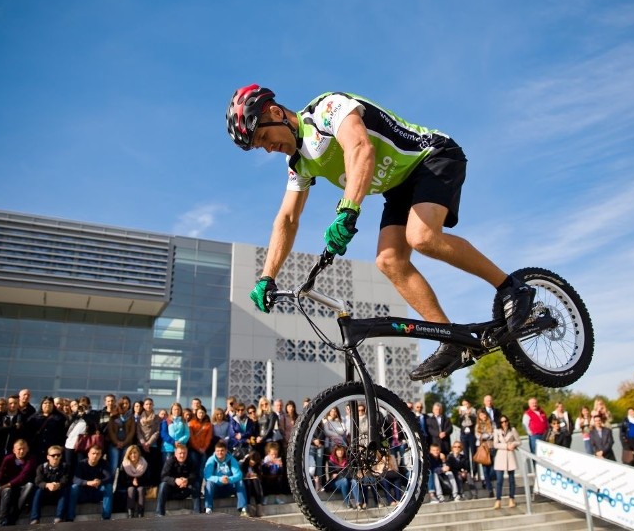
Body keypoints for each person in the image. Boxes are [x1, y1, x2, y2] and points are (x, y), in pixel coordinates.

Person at [226, 85, 536, 382]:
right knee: (389, 261)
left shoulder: (326, 110)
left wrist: (348, 210)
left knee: (422, 236)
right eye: (259, 146)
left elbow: (360, 148)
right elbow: (288, 218)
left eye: (264, 137)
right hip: (398, 186)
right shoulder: (298, 162)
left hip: (431, 157)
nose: (267, 148)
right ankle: (450, 338)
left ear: (276, 112)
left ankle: (512, 287)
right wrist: (268, 276)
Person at [0, 438, 37, 526]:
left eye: (24, 449)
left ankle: (14, 516)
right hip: (9, 489)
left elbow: (23, 476)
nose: (21, 451)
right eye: (19, 449)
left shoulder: (31, 459)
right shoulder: (8, 459)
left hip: (22, 488)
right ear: (14, 450)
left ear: (27, 449)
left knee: (30, 485)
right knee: (6, 490)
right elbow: (1, 474)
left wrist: (7, 484)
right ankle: (4, 518)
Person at [69, 444, 113, 521]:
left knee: (108, 487)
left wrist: (100, 482)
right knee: (74, 487)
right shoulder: (81, 463)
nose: (95, 456)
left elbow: (109, 478)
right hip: (84, 493)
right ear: (88, 454)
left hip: (97, 492)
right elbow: (75, 479)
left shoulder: (104, 463)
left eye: (98, 454)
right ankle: (70, 517)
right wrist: (87, 482)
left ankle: (106, 517)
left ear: (101, 455)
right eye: (93, 453)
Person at [203, 441, 248, 516]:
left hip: (228, 486)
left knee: (240, 482)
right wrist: (220, 479)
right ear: (215, 451)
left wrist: (229, 479)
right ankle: (208, 509)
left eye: (222, 450)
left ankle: (243, 509)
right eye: (217, 451)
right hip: (216, 489)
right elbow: (207, 476)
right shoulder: (211, 460)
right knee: (209, 483)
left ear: (226, 451)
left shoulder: (231, 460)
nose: (220, 453)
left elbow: (239, 474)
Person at [156, 443, 200, 516]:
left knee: (196, 484)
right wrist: (175, 480)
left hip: (185, 489)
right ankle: (159, 513)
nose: (182, 455)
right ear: (175, 454)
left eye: (184, 453)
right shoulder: (169, 461)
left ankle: (197, 512)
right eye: (180, 453)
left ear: (187, 453)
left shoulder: (191, 461)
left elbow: (195, 475)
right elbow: (163, 476)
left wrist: (187, 480)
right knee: (163, 485)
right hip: (172, 490)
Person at [30, 445, 70, 525]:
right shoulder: (41, 467)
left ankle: (59, 517)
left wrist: (58, 485)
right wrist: (47, 485)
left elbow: (66, 480)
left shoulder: (65, 466)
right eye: (53, 455)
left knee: (65, 490)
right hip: (46, 493)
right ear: (48, 457)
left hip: (58, 493)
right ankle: (35, 518)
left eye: (58, 455)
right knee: (38, 491)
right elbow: (38, 481)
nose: (56, 457)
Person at [493, 416, 521, 509]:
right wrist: (506, 446)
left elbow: (519, 441)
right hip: (501, 455)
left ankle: (511, 498)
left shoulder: (512, 430)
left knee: (511, 479)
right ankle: (498, 500)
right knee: (499, 480)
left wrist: (513, 444)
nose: (504, 423)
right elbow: (495, 444)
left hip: (510, 456)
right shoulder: (497, 431)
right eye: (502, 422)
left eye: (505, 421)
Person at [26, 396, 66, 462]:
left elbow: (64, 434)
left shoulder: (60, 418)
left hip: (53, 450)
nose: (47, 405)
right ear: (41, 405)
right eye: (45, 403)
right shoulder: (34, 418)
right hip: (36, 448)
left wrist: (61, 446)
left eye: (50, 403)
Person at [106, 396, 135, 475]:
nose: (125, 405)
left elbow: (132, 432)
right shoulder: (114, 415)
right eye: (123, 403)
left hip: (126, 445)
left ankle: (120, 484)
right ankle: (110, 484)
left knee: (124, 466)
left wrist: (124, 443)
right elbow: (110, 430)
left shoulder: (131, 417)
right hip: (114, 445)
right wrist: (117, 442)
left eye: (127, 403)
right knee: (114, 466)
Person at [117, 444, 148, 518]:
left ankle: (141, 513)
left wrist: (138, 482)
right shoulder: (124, 465)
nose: (133, 455)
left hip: (141, 486)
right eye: (130, 453)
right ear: (128, 454)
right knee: (131, 489)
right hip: (128, 488)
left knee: (141, 489)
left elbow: (147, 479)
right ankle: (130, 513)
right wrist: (131, 482)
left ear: (138, 453)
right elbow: (121, 481)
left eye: (135, 452)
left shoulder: (144, 463)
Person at [136, 397, 161, 486]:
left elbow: (157, 432)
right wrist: (143, 443)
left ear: (153, 405)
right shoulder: (139, 418)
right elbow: (138, 431)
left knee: (151, 466)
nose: (149, 406)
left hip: (152, 445)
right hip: (141, 445)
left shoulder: (157, 417)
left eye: (150, 404)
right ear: (144, 406)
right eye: (146, 404)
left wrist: (149, 443)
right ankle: (141, 486)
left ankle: (150, 487)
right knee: (141, 466)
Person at [188, 406, 213, 482]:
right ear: (196, 413)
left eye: (203, 412)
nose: (201, 414)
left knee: (202, 469)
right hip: (193, 449)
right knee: (195, 468)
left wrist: (204, 448)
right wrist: (198, 448)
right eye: (199, 412)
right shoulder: (191, 423)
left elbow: (208, 438)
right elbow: (191, 438)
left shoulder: (208, 425)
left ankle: (200, 489)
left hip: (203, 449)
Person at [327, 444, 355, 509]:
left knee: (352, 481)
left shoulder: (347, 461)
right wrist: (333, 475)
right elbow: (331, 475)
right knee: (344, 481)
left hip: (346, 481)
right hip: (335, 483)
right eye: (338, 450)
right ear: (335, 452)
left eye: (342, 450)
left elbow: (350, 473)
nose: (340, 452)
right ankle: (348, 503)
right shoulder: (331, 462)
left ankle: (359, 503)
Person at [475, 409, 495, 496]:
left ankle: (485, 481)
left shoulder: (491, 423)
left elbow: (494, 434)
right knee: (485, 470)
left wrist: (487, 435)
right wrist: (487, 435)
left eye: (484, 414)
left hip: (492, 447)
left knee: (493, 470)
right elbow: (478, 436)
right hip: (483, 448)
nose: (483, 416)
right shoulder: (477, 426)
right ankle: (490, 489)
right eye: (481, 415)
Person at [241, 450, 265, 517]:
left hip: (254, 484)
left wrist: (255, 475)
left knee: (255, 481)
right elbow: (241, 475)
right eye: (252, 461)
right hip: (247, 483)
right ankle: (248, 506)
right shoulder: (243, 464)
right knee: (249, 482)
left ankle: (259, 505)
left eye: (255, 462)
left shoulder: (256, 466)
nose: (253, 463)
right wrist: (246, 475)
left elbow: (260, 476)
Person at [457, 400, 477, 467]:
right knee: (465, 454)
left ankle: (474, 471)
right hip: (464, 433)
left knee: (473, 452)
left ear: (469, 404)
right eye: (463, 404)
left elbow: (475, 421)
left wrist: (469, 414)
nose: (465, 406)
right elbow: (459, 422)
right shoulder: (461, 412)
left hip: (471, 432)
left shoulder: (473, 410)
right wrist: (461, 414)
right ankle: (467, 469)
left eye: (466, 404)